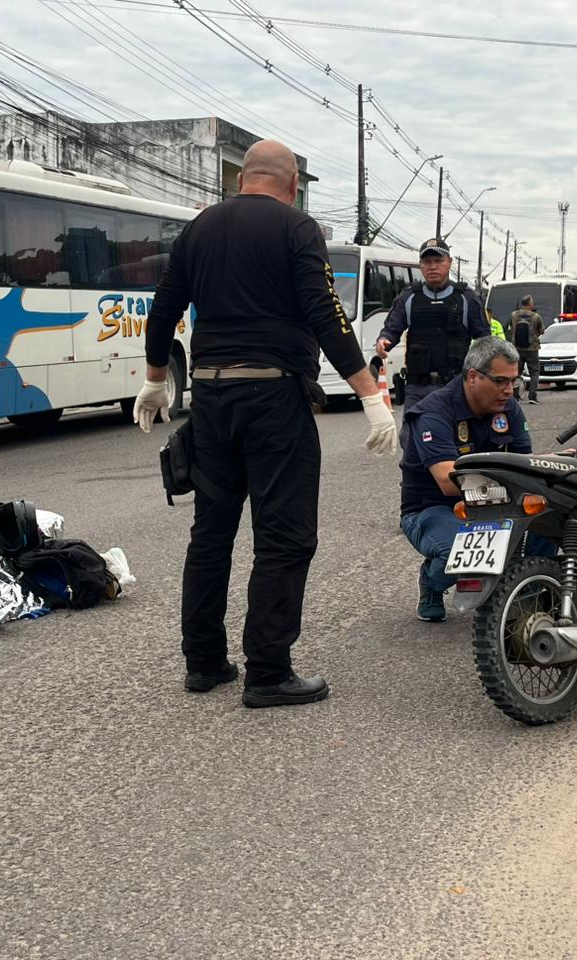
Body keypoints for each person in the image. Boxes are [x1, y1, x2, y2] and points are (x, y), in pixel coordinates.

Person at [136, 140, 398, 709]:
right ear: (293, 186)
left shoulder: (199, 228)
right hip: (274, 395)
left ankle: (203, 663)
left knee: (211, 533)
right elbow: (323, 311)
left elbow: (164, 307)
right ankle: (269, 672)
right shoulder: (297, 228)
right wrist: (370, 394)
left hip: (208, 396)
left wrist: (158, 378)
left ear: (241, 181)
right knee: (283, 536)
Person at [399, 337, 553, 622]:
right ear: (473, 376)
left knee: (553, 513)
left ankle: (525, 589)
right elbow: (448, 482)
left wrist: (551, 465)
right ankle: (432, 582)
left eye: (514, 381)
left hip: (496, 503)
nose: (509, 390)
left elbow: (525, 463)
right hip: (434, 508)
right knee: (461, 555)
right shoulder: (433, 413)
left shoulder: (509, 409)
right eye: (500, 381)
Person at [373, 237, 491, 409]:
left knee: (461, 435)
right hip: (417, 389)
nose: (433, 266)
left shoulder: (467, 298)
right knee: (410, 435)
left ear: (449, 262)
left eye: (438, 260)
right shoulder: (408, 297)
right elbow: (392, 329)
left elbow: (485, 341)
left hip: (457, 386)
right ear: (421, 265)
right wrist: (383, 341)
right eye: (427, 262)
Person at [508, 294, 548, 404]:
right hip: (532, 349)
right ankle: (532, 396)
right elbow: (542, 331)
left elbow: (511, 328)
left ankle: (515, 396)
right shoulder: (536, 316)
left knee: (516, 372)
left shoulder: (514, 315)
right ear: (530, 304)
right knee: (534, 372)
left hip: (517, 349)